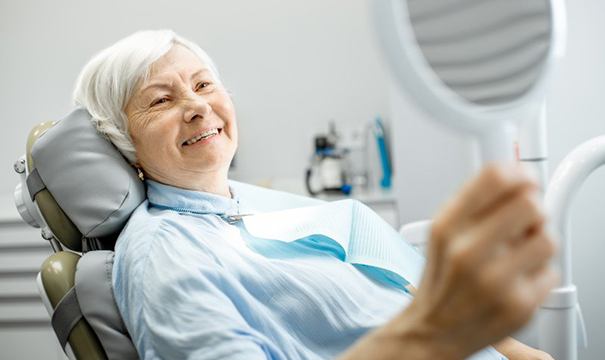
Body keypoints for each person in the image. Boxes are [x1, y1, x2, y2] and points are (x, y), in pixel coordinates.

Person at [73, 30, 557, 359]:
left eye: (204, 84)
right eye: (161, 100)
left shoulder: (241, 205)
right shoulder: (165, 254)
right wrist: (436, 327)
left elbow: (395, 289)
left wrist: (512, 349)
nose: (198, 105)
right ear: (123, 141)